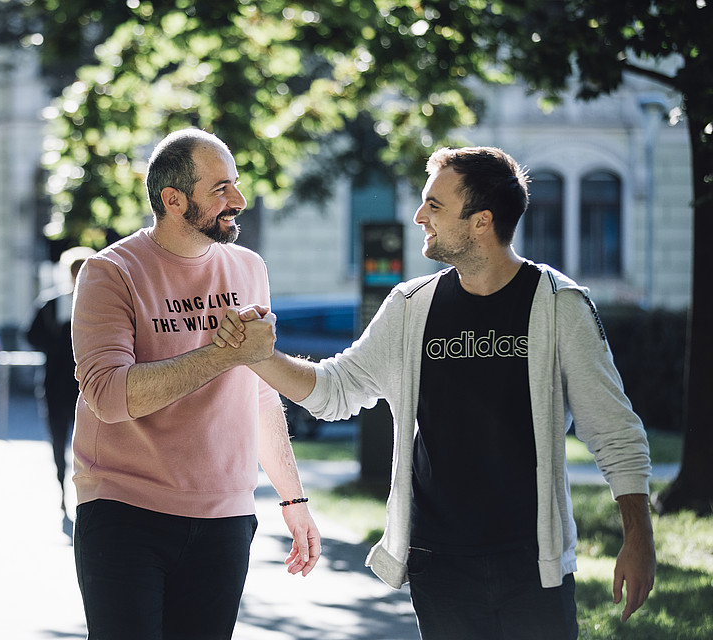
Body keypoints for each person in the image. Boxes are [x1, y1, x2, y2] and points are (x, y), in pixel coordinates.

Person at [214, 146, 655, 639]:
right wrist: (261, 357)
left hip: (532, 561)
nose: (420, 216)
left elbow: (614, 430)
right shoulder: (410, 306)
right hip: (437, 561)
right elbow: (337, 389)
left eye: (435, 206)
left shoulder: (559, 306)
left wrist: (639, 539)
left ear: (481, 221)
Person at [70, 128, 320, 639]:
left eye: (236, 185)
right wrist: (222, 353)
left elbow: (259, 393)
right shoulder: (109, 273)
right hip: (124, 513)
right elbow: (110, 397)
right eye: (221, 188)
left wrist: (293, 500)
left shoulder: (249, 268)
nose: (239, 201)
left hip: (225, 517)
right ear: (173, 199)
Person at [26, 245, 95, 512]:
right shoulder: (51, 303)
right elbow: (31, 336)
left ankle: (85, 493)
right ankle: (61, 490)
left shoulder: (100, 302)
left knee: (88, 445)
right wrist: (58, 339)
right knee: (57, 441)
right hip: (55, 385)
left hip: (88, 387)